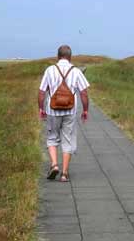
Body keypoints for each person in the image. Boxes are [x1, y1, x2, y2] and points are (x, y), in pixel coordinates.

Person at [38, 45, 90, 182]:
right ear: (70, 56)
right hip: (70, 110)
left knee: (52, 137)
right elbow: (84, 92)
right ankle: (64, 173)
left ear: (58, 56)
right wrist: (85, 110)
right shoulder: (76, 71)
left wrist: (41, 108)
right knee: (68, 140)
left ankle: (54, 165)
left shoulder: (50, 70)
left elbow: (42, 91)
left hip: (52, 110)